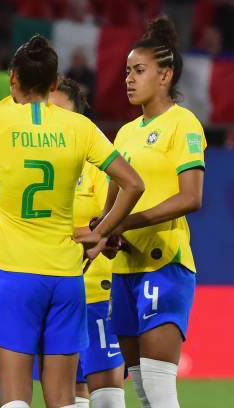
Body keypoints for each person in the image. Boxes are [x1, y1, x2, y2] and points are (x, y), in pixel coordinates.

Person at [0, 35, 144, 408]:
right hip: (65, 276)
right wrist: (100, 233)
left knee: (14, 400)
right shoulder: (78, 127)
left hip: (13, 273)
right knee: (63, 401)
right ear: (55, 83)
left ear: (13, 79)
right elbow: (133, 183)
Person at [81, 16, 206, 408]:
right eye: (127, 72)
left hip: (164, 264)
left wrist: (124, 222)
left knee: (158, 391)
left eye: (139, 71)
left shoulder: (183, 124)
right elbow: (110, 206)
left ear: (165, 75)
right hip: (125, 272)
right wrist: (105, 231)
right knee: (143, 394)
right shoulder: (126, 133)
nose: (129, 80)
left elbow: (191, 198)